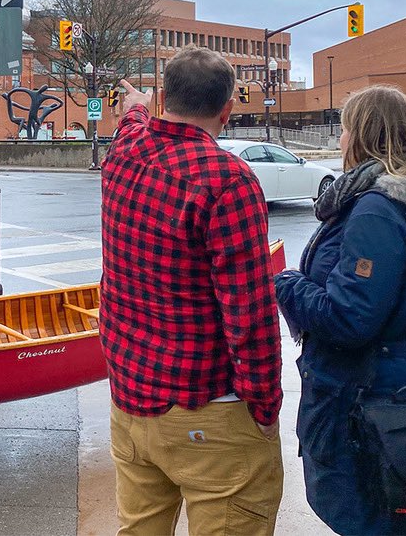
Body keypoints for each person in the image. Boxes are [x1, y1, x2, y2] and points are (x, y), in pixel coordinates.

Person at [100, 46, 283, 536]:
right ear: (228, 110)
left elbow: (132, 121)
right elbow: (251, 313)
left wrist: (135, 104)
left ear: (164, 97)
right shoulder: (228, 181)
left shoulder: (125, 151)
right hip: (210, 411)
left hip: (131, 401)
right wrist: (265, 406)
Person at [275, 85, 406, 535]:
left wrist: (285, 283)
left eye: (345, 128)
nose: (340, 139)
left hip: (366, 407)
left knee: (373, 519)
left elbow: (348, 318)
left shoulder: (377, 210)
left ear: (362, 135)